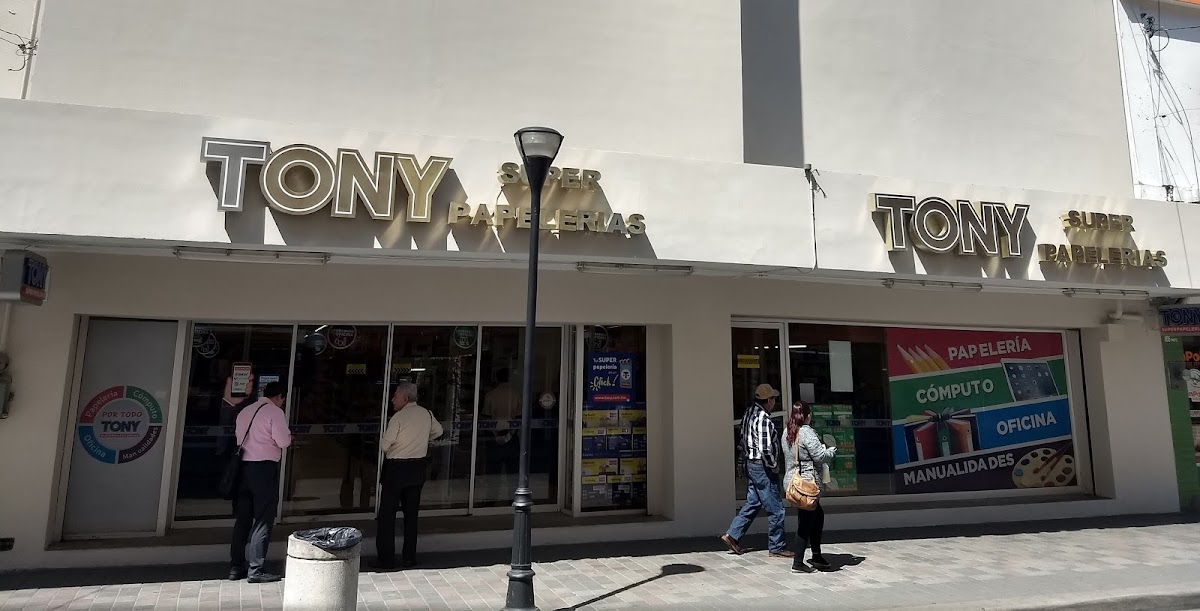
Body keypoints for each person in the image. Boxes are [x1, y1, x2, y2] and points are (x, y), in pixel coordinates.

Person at [373, 382, 444, 570]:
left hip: (396, 468)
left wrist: (398, 446)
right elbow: (439, 431)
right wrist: (422, 439)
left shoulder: (398, 417)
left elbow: (384, 445)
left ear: (405, 398)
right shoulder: (426, 413)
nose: (392, 399)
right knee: (411, 516)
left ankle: (386, 559)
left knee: (387, 516)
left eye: (395, 396)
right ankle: (409, 557)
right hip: (417, 468)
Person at [229, 382, 292, 583]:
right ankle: (256, 569)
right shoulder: (275, 412)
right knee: (263, 518)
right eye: (282, 399)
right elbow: (283, 441)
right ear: (279, 396)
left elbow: (238, 438)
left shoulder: (245, 411)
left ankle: (236, 566)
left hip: (243, 469)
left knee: (243, 519)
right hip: (264, 470)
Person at [721, 383, 791, 558]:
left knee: (753, 502)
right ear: (768, 400)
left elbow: (743, 440)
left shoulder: (748, 413)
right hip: (762, 466)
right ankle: (777, 547)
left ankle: (732, 534)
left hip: (751, 464)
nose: (774, 402)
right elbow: (766, 448)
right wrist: (774, 466)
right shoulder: (764, 419)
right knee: (776, 509)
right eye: (773, 399)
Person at [782, 400, 837, 573]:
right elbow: (820, 456)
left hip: (793, 482)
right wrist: (831, 451)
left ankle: (816, 555)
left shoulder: (787, 432)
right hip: (806, 485)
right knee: (805, 522)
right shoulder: (806, 432)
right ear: (806, 416)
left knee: (817, 516)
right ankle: (798, 562)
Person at [482, 368, 521, 500]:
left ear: (496, 378)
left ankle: (491, 499)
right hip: (512, 437)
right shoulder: (515, 394)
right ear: (509, 378)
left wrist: (494, 433)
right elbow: (519, 417)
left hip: (494, 438)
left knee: (493, 472)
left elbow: (486, 418)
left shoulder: (490, 395)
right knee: (512, 472)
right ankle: (512, 499)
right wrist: (511, 433)